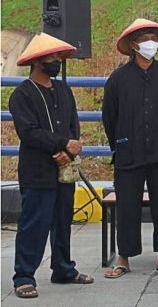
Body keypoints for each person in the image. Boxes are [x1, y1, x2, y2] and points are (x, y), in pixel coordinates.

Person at [10, 33, 94, 299]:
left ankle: (63, 268)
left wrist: (68, 150)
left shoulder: (63, 90)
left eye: (59, 56)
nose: (57, 61)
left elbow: (73, 126)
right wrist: (61, 146)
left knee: (63, 221)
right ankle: (24, 276)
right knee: (34, 223)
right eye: (52, 56)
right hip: (37, 170)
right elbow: (29, 132)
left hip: (64, 168)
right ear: (37, 61)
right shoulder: (22, 94)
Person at [102, 19, 158, 279]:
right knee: (127, 205)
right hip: (129, 150)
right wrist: (120, 141)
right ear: (134, 45)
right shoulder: (118, 78)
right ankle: (123, 257)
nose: (151, 43)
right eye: (146, 38)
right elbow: (109, 116)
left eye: (154, 38)